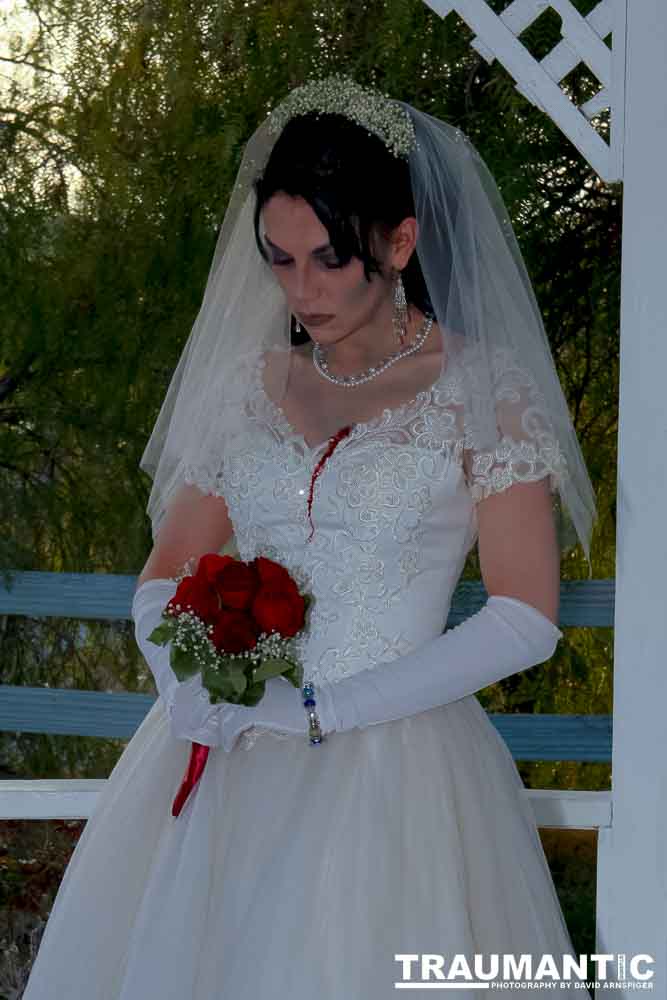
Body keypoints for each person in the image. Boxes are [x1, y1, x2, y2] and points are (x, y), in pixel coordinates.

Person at [22, 76, 597, 998]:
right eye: (280, 261)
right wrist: (184, 686)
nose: (302, 289)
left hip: (396, 770)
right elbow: (163, 576)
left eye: (328, 259)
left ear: (400, 241)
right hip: (220, 757)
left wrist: (321, 712)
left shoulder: (486, 391)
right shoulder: (244, 385)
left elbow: (524, 617)